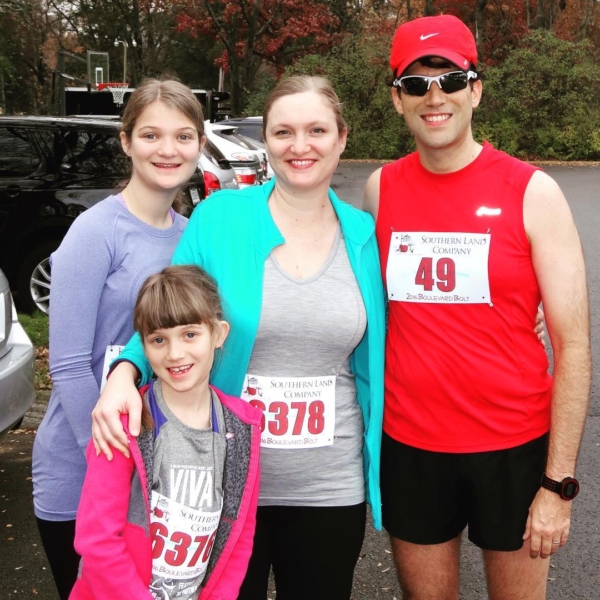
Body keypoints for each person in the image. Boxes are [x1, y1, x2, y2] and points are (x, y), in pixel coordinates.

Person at [91, 75, 386, 600]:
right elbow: (169, 317)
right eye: (283, 132)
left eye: (316, 130)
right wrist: (123, 372)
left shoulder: (363, 234)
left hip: (329, 486)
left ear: (341, 138)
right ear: (265, 141)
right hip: (221, 483)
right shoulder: (220, 218)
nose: (300, 146)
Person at [363, 14, 591, 600]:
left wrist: (558, 483)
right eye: (416, 84)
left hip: (512, 447)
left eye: (450, 80)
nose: (434, 97)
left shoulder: (533, 192)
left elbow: (573, 345)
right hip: (411, 445)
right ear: (397, 100)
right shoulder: (380, 190)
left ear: (476, 89)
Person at [32, 79, 206, 600]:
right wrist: (116, 469)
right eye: (151, 135)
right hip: (85, 468)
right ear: (126, 141)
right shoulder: (95, 231)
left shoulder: (188, 236)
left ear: (200, 144)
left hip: (159, 474)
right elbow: (65, 366)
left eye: (183, 136)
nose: (168, 150)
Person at [70, 265, 261, 600]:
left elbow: (239, 536)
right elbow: (97, 540)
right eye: (159, 339)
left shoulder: (243, 427)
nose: (175, 354)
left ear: (218, 334)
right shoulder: (123, 424)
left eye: (190, 334)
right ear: (143, 346)